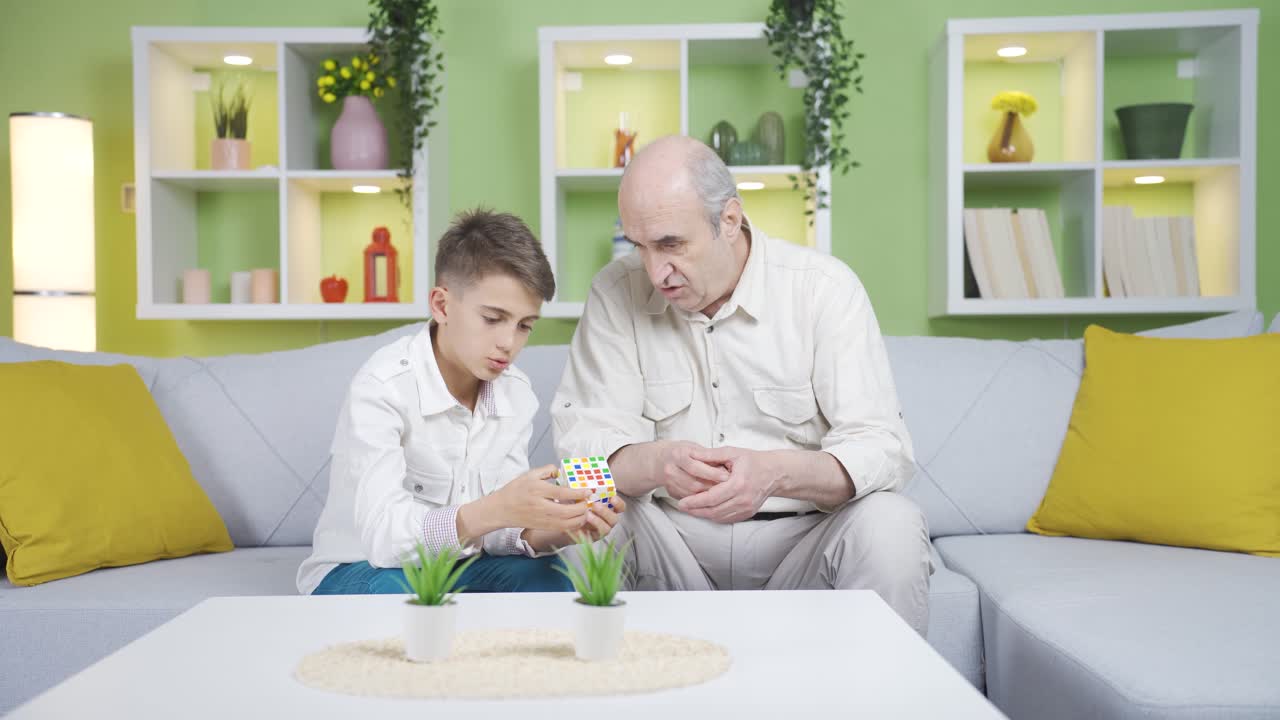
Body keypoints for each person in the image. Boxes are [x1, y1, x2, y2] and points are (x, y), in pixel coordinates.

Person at [551, 136, 931, 634]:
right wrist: (658, 463)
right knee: (579, 515)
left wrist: (776, 473)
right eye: (639, 246)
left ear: (729, 220)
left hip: (803, 543)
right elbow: (579, 463)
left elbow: (885, 450)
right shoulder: (615, 292)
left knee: (892, 523)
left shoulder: (824, 289)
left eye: (670, 244)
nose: (654, 271)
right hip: (669, 542)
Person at [298, 208, 626, 596]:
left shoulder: (515, 391)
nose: (509, 343)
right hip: (362, 566)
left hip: (463, 563)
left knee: (549, 575)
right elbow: (383, 539)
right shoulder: (382, 387)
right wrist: (494, 509)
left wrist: (551, 531)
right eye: (493, 318)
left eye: (524, 325)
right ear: (441, 305)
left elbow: (494, 533)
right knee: (395, 598)